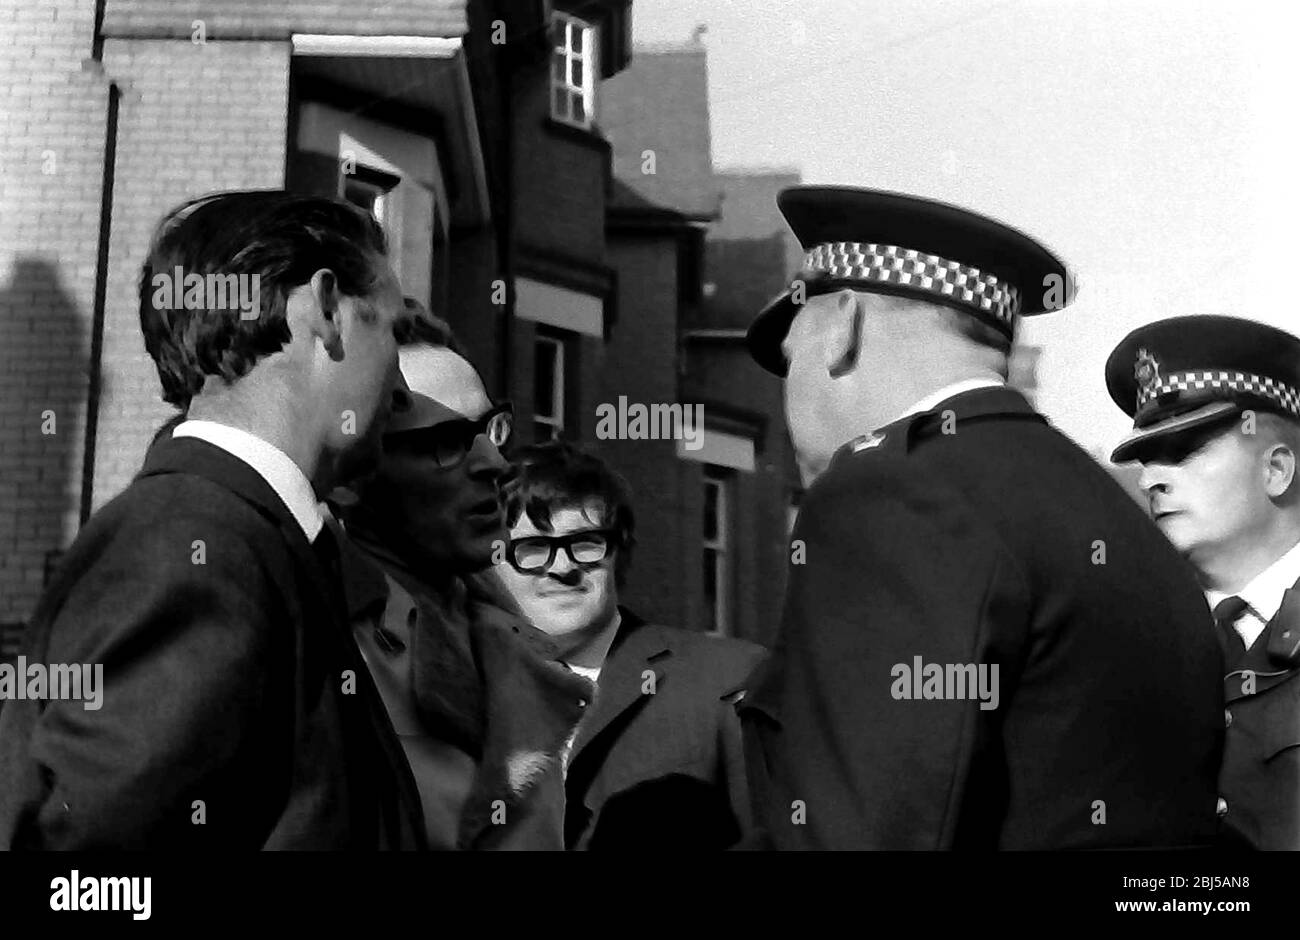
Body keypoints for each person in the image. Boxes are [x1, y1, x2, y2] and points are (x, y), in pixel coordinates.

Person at [739, 185, 1223, 849]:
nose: (789, 395)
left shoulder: (883, 497)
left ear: (842, 326)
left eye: (791, 360)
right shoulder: (1124, 521)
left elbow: (860, 834)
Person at [0, 191, 423, 849]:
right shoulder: (197, 552)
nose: (401, 387)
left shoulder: (229, 536)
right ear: (329, 309)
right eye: (395, 330)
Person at [333, 314, 590, 849]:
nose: (495, 463)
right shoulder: (324, 644)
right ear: (355, 470)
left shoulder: (519, 646)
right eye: (447, 440)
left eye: (492, 428)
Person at [494, 440, 766, 850]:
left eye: (585, 544)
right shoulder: (452, 699)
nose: (563, 566)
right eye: (533, 548)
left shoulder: (726, 680)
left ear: (618, 553)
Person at [1106, 314, 1300, 850]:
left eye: (1184, 451)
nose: (1151, 479)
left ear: (1276, 469)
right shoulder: (1134, 643)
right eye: (1146, 459)